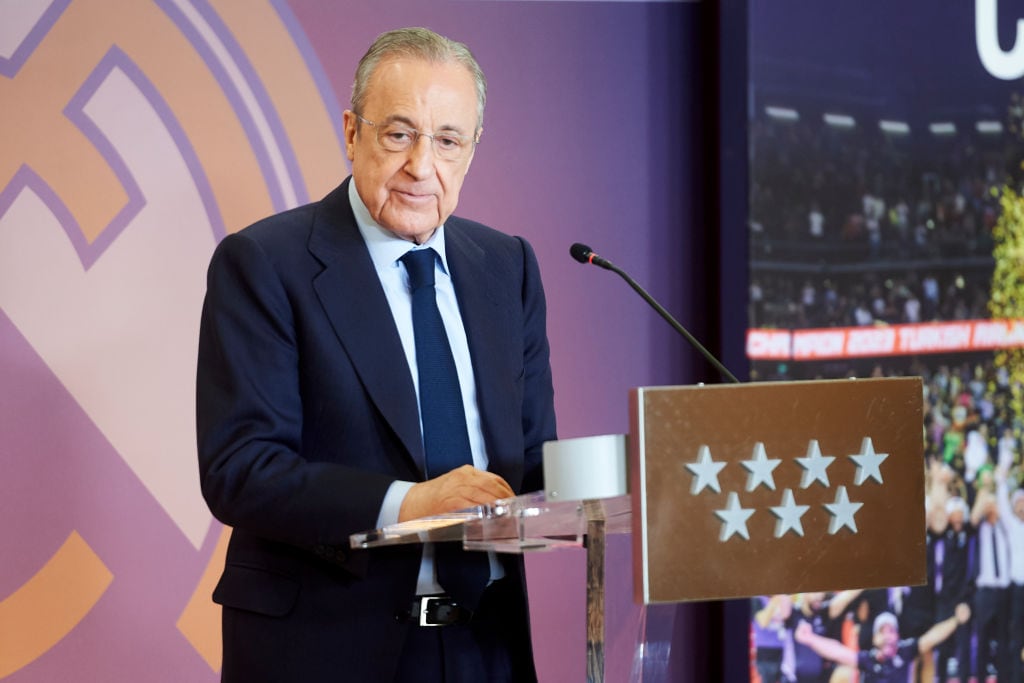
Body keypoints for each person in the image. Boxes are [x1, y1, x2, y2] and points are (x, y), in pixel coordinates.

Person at [195, 27, 557, 683]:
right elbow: (242, 469)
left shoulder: (508, 267)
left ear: (471, 151)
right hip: (327, 649)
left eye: (447, 140)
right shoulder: (265, 264)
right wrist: (413, 502)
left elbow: (532, 462)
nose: (423, 165)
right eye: (399, 134)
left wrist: (638, 479)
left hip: (486, 646)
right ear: (352, 132)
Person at [794, 604, 971, 683]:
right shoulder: (868, 660)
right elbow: (837, 652)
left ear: (898, 636)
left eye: (891, 631)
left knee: (928, 656)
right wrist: (810, 639)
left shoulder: (906, 651)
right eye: (882, 631)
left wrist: (956, 620)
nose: (887, 636)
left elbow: (933, 637)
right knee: (842, 672)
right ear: (874, 639)